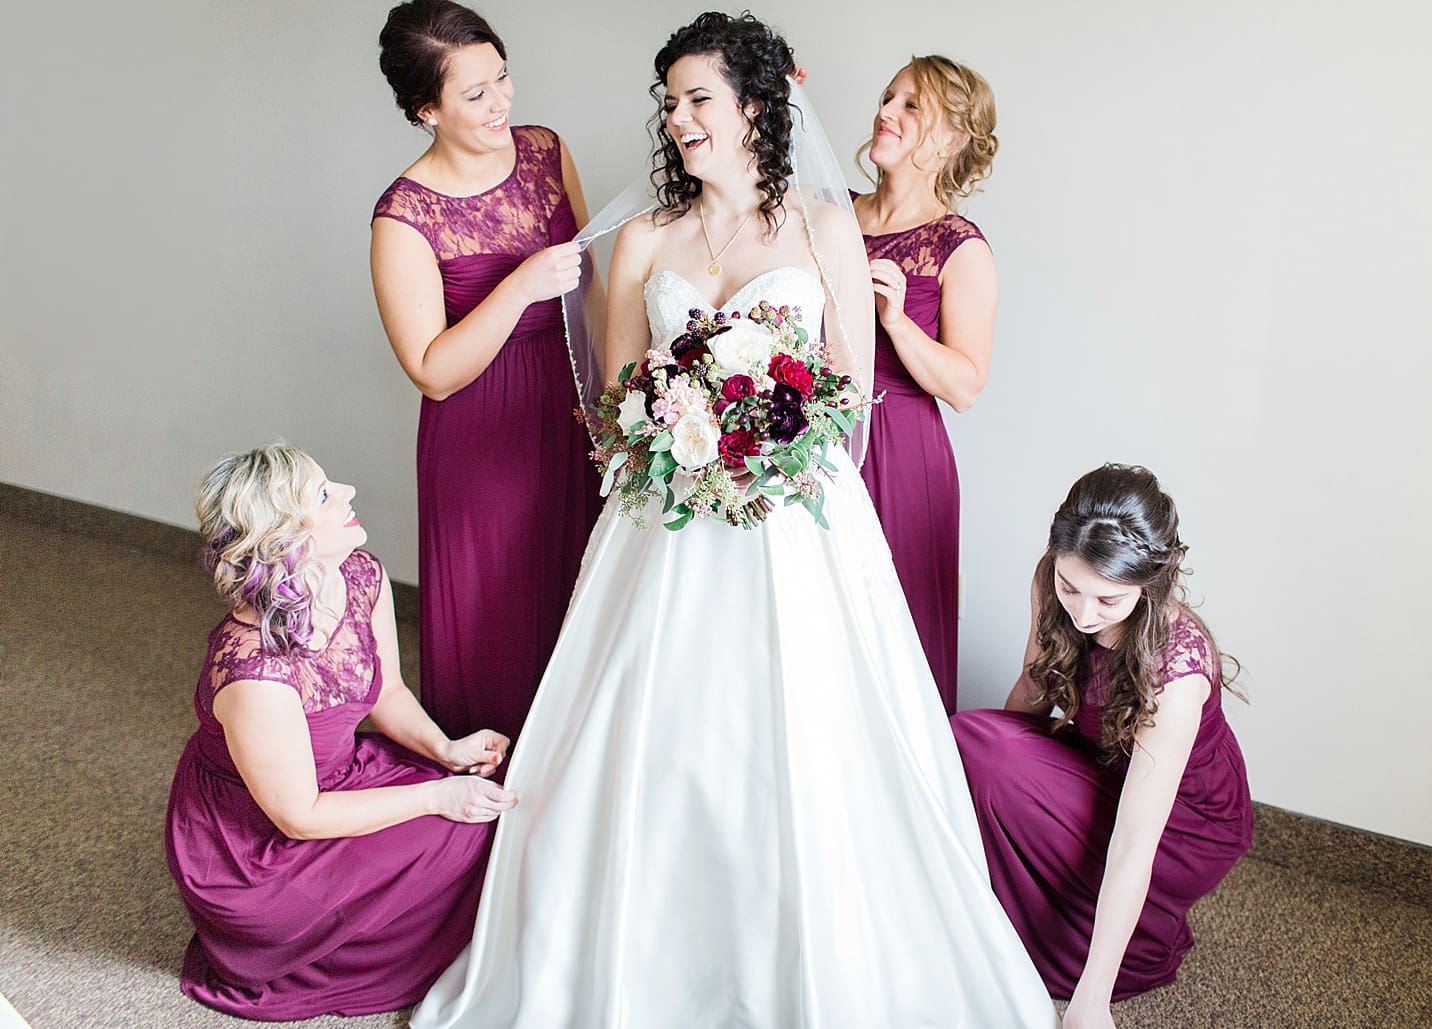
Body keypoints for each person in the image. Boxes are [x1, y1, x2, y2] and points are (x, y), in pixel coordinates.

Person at [411, 14, 1058, 1028]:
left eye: (698, 99)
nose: (678, 120)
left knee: (803, 748)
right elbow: (617, 397)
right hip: (660, 523)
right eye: (669, 102)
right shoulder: (643, 240)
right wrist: (674, 430)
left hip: (793, 522)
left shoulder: (821, 226)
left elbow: (848, 389)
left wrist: (765, 442)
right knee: (650, 748)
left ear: (756, 104)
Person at [164, 444, 517, 1020]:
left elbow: (388, 691)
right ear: (286, 539)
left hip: (339, 777)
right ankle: (329, 951)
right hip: (257, 850)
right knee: (461, 824)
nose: (349, 493)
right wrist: (437, 793)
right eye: (325, 494)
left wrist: (446, 751)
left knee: (487, 803)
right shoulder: (255, 674)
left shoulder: (358, 574)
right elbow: (299, 815)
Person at [371, 0, 602, 745]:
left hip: (571, 407)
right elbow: (432, 370)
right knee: (495, 608)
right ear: (423, 110)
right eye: (474, 94)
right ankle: (486, 783)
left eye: (501, 77)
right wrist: (519, 286)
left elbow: (592, 282)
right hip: (478, 436)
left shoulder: (545, 150)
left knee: (579, 591)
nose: (501, 101)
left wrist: (615, 402)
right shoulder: (403, 216)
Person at [951, 464, 1253, 1028]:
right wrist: (982, 793)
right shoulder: (1054, 581)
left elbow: (1138, 841)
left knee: (991, 755)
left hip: (1184, 826)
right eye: (1071, 588)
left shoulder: (1177, 670)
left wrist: (1090, 1003)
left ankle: (1115, 949)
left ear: (1148, 587)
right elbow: (1030, 695)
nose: (1083, 614)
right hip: (1104, 763)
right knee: (972, 741)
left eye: (1108, 601)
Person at [853, 55, 1000, 713]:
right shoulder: (828, 214)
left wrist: (896, 322)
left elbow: (965, 385)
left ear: (949, 139)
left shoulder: (958, 247)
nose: (886, 112)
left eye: (911, 105)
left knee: (894, 631)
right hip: (815, 440)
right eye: (889, 97)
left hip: (904, 452)